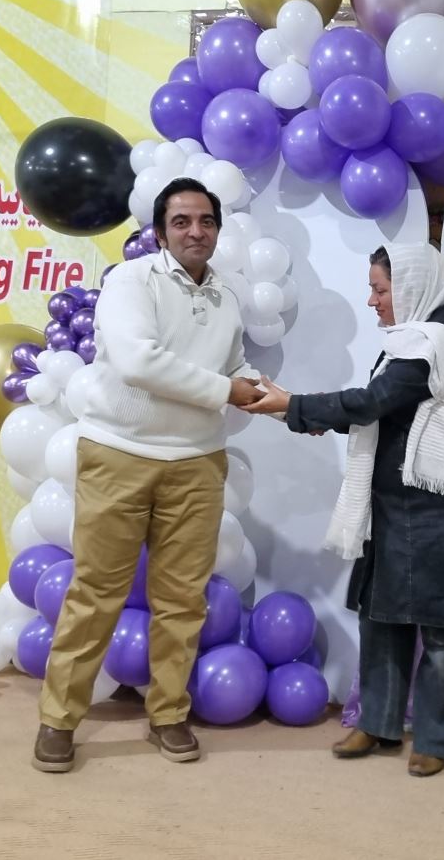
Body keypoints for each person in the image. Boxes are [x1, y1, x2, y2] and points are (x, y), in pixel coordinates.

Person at [243, 243, 444, 777]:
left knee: (443, 629)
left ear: (411, 288)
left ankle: (438, 738)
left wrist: (294, 406)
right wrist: (300, 409)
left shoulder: (433, 344)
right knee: (381, 617)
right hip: (395, 504)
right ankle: (379, 723)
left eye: (380, 289)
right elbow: (374, 411)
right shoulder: (409, 343)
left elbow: (370, 403)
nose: (372, 300)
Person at [34, 177, 264, 773]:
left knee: (183, 599)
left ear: (218, 230)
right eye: (181, 221)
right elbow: (138, 362)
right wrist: (227, 390)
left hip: (197, 463)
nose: (195, 231)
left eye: (206, 221)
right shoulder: (131, 282)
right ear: (161, 232)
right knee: (95, 594)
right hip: (120, 453)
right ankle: (58, 720)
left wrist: (282, 401)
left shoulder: (226, 295)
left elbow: (235, 365)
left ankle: (168, 715)